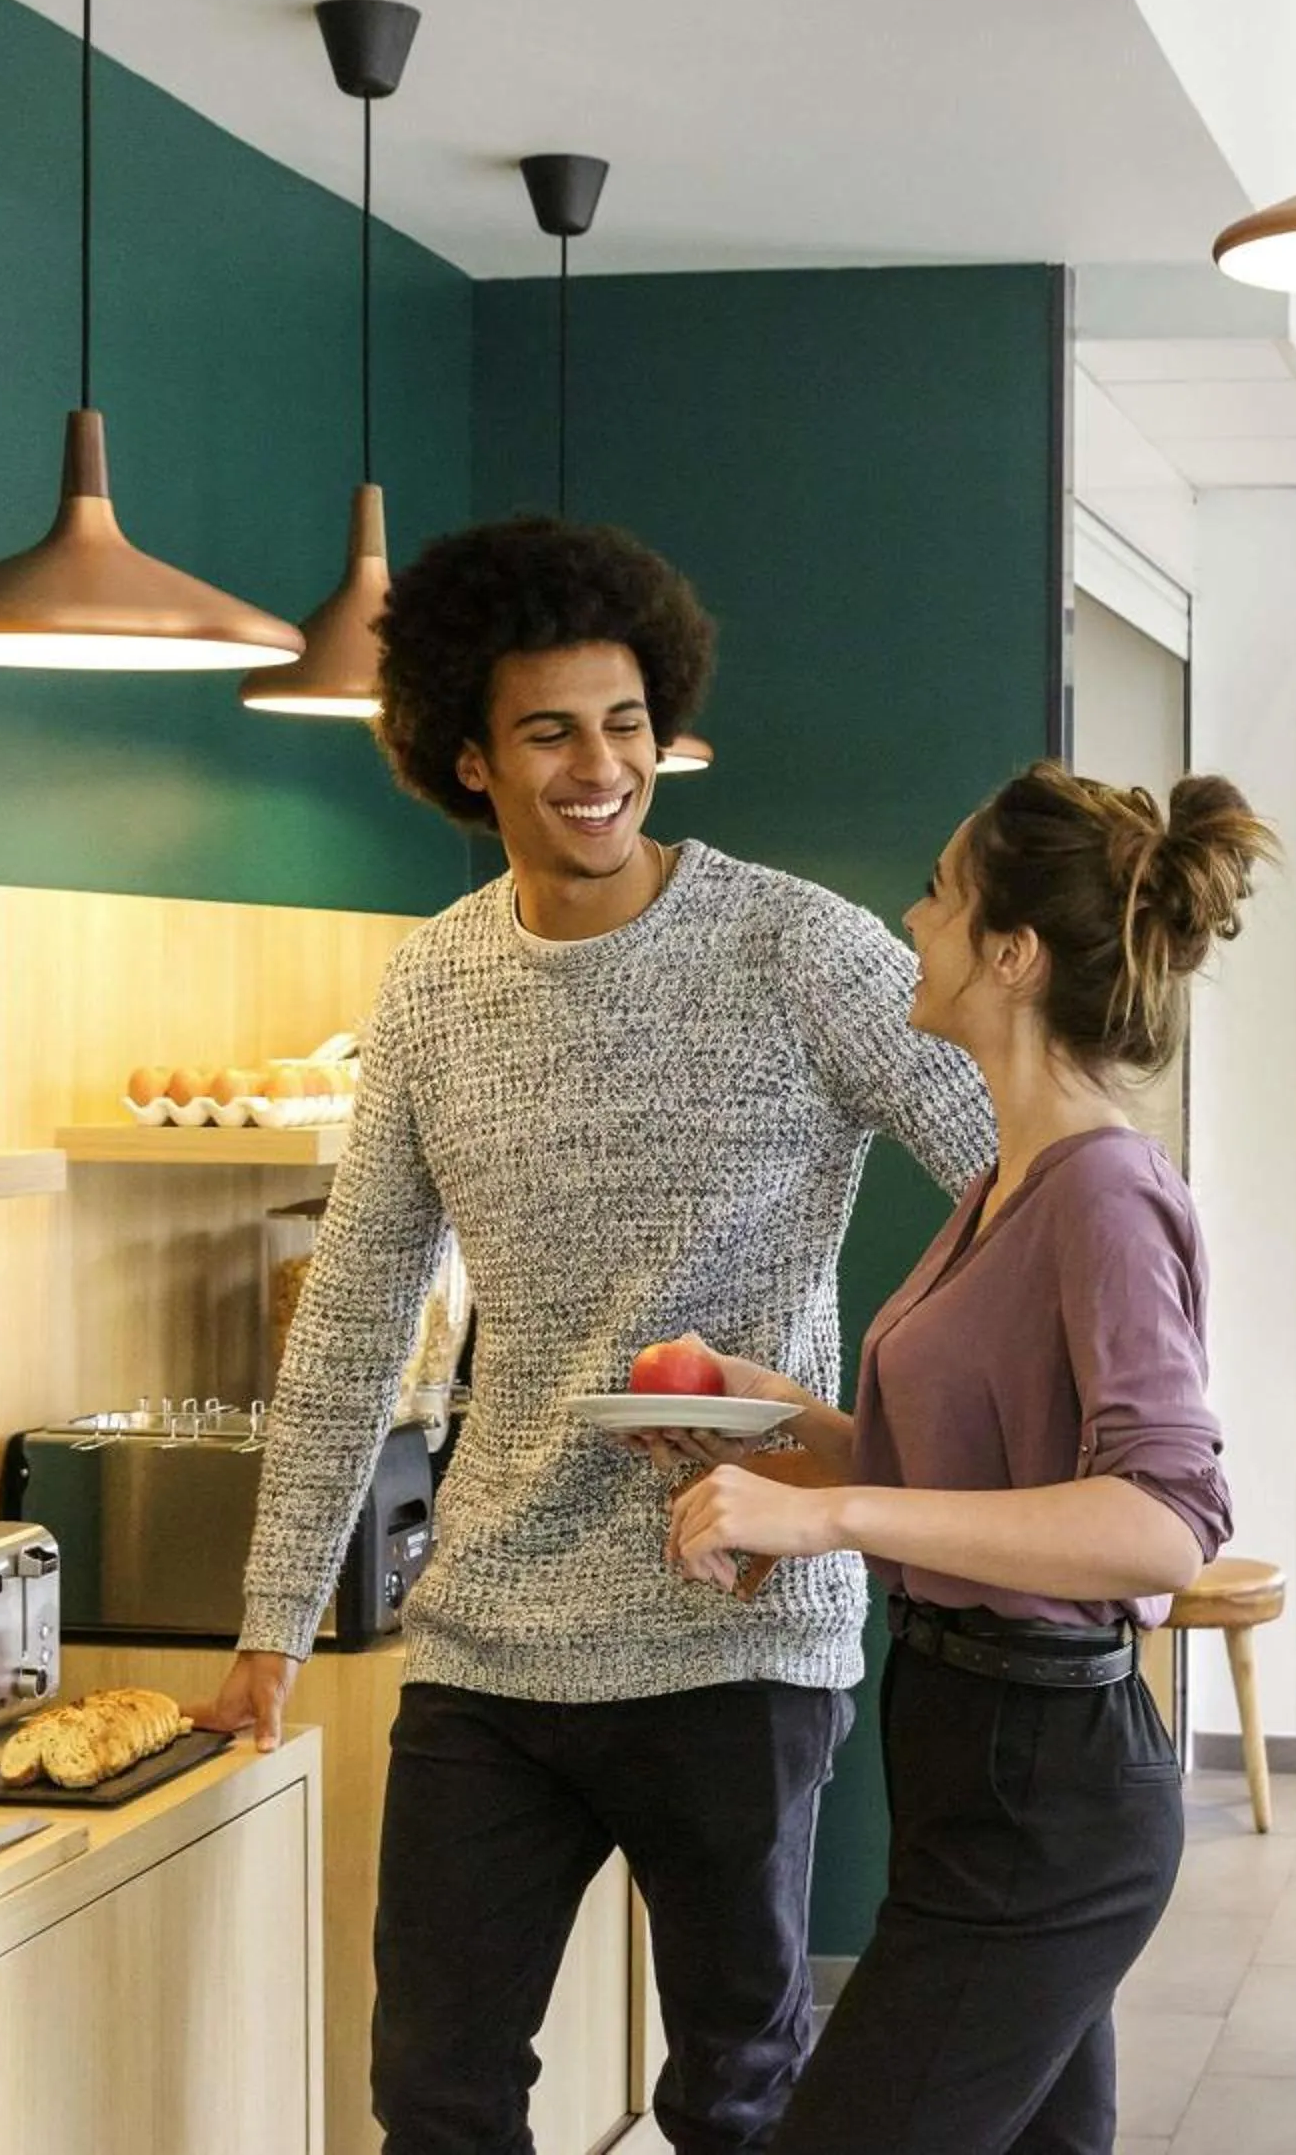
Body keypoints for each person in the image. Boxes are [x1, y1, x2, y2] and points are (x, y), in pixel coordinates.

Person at [188, 516, 995, 2155]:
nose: (600, 765)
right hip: (491, 1628)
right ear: (466, 759)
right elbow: (352, 1309)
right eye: (549, 729)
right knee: (436, 2088)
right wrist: (274, 1609)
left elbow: (1024, 1175)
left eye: (625, 722)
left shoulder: (798, 947)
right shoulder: (431, 987)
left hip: (735, 1620)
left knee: (737, 2095)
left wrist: (880, 1454)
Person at [663, 762, 1272, 2155]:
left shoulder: (1106, 1191)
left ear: (1011, 951)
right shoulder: (1007, 1178)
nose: (912, 916)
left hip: (1048, 1785)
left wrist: (832, 1516)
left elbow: (1165, 1519)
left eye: (940, 892)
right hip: (970, 1753)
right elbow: (982, 1482)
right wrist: (792, 1434)